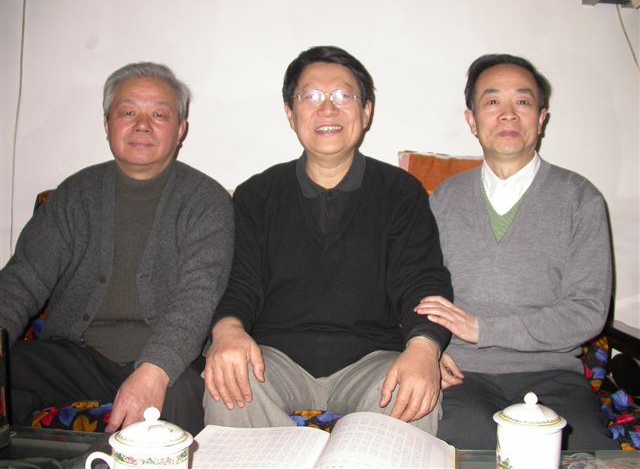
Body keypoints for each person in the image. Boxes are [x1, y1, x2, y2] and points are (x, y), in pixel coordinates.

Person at [202, 46, 452, 434]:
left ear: (366, 112)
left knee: (413, 391)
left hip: (373, 362)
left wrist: (425, 348)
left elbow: (422, 282)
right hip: (273, 360)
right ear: (290, 113)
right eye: (311, 96)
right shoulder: (256, 195)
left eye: (343, 95)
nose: (328, 108)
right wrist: (228, 330)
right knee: (230, 382)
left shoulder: (401, 192)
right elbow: (238, 282)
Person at [0, 62, 234, 436]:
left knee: (186, 395)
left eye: (159, 114)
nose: (142, 125)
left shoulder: (206, 201)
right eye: (128, 112)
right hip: (77, 357)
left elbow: (198, 296)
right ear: (107, 124)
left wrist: (155, 369)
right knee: (11, 369)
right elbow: (22, 280)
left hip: (170, 363)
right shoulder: (74, 195)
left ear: (180, 130)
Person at [414, 54, 618, 450]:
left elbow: (588, 311)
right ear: (472, 120)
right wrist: (426, 349)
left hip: (552, 375)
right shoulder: (442, 201)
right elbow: (417, 291)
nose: (508, 114)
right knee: (461, 448)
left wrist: (483, 330)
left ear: (541, 118)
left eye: (522, 101)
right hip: (462, 375)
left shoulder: (581, 199)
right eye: (492, 102)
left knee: (584, 454)